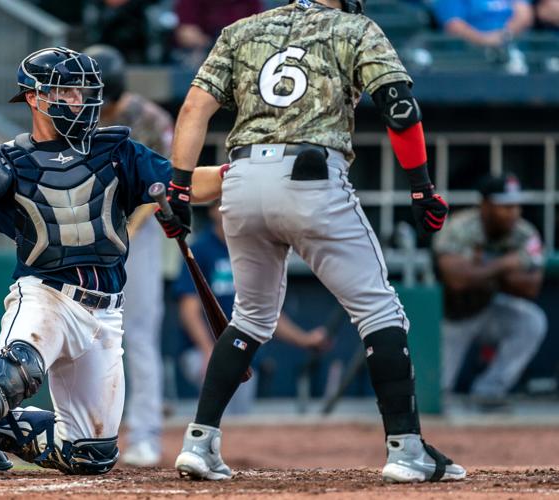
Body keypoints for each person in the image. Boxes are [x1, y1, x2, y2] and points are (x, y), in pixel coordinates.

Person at [154, 0, 466, 483]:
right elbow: (400, 107)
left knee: (251, 317)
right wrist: (422, 185)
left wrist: (178, 186)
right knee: (379, 311)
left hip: (240, 179)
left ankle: (200, 442)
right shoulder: (356, 27)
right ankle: (406, 450)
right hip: (311, 177)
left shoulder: (243, 28)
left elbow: (195, 106)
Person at [0, 47, 223, 480]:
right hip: (45, 294)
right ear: (35, 98)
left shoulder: (120, 152)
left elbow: (184, 183)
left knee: (91, 455)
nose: (81, 100)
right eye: (67, 92)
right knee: (22, 365)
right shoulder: (10, 162)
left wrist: (234, 176)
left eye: (83, 91)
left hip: (105, 310)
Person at [84, 44, 172, 467]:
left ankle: (145, 435)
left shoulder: (150, 118)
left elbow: (159, 189)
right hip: (85, 229)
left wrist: (124, 233)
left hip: (138, 230)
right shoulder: (73, 117)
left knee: (137, 332)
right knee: (83, 333)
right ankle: (85, 434)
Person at [174, 201, 329, 413]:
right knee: (216, 416)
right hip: (201, 352)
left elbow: (266, 313)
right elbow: (188, 309)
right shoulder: (200, 249)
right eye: (220, 204)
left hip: (242, 351)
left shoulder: (251, 250)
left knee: (239, 422)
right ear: (211, 211)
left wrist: (305, 340)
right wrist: (207, 350)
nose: (228, 209)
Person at [434, 174, 546, 409]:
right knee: (434, 392)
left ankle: (489, 391)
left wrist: (480, 269)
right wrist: (505, 265)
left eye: (515, 206)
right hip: (451, 316)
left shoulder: (525, 233)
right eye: (504, 206)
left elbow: (531, 286)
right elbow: (457, 280)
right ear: (485, 205)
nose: (512, 212)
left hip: (489, 308)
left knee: (532, 321)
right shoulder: (460, 227)